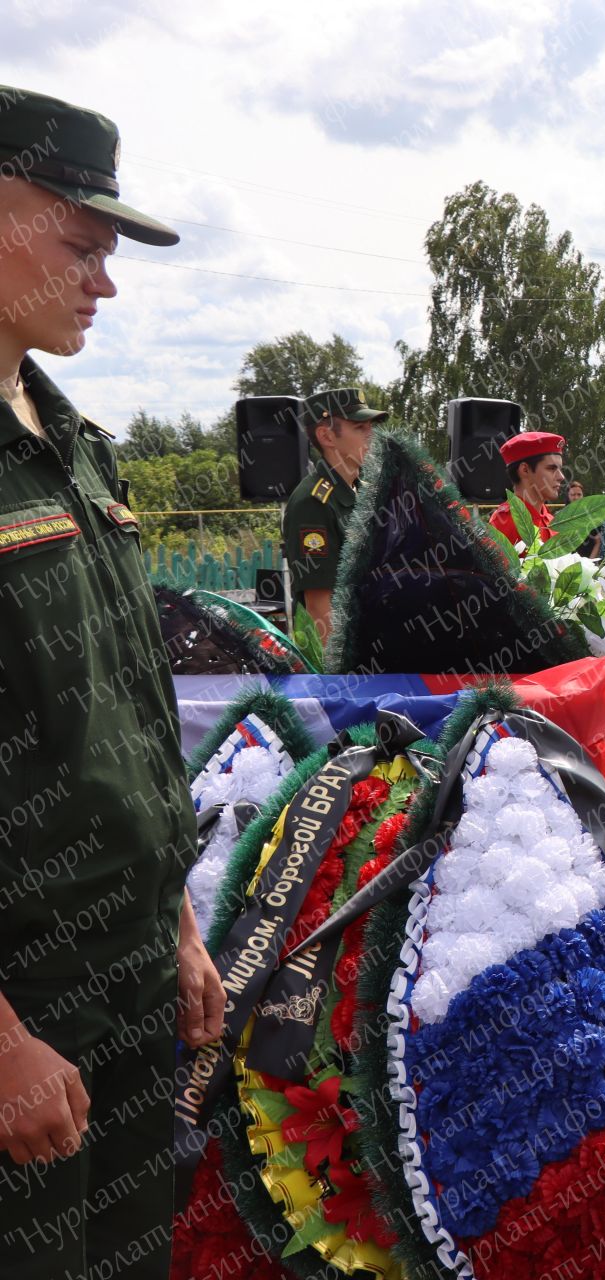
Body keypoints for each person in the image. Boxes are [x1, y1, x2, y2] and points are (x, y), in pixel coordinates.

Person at [0, 85, 224, 1278]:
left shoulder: (78, 446)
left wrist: (180, 925)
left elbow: (135, 709)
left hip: (133, 981)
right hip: (26, 1011)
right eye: (80, 243)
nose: (107, 278)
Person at [282, 387, 384, 644]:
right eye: (360, 428)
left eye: (370, 427)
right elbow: (320, 607)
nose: (371, 436)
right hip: (339, 664)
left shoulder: (363, 491)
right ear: (326, 436)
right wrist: (345, 675)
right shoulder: (313, 502)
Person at [489, 430, 566, 547]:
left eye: (560, 469)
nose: (561, 477)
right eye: (551, 468)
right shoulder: (503, 523)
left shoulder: (551, 521)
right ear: (525, 470)